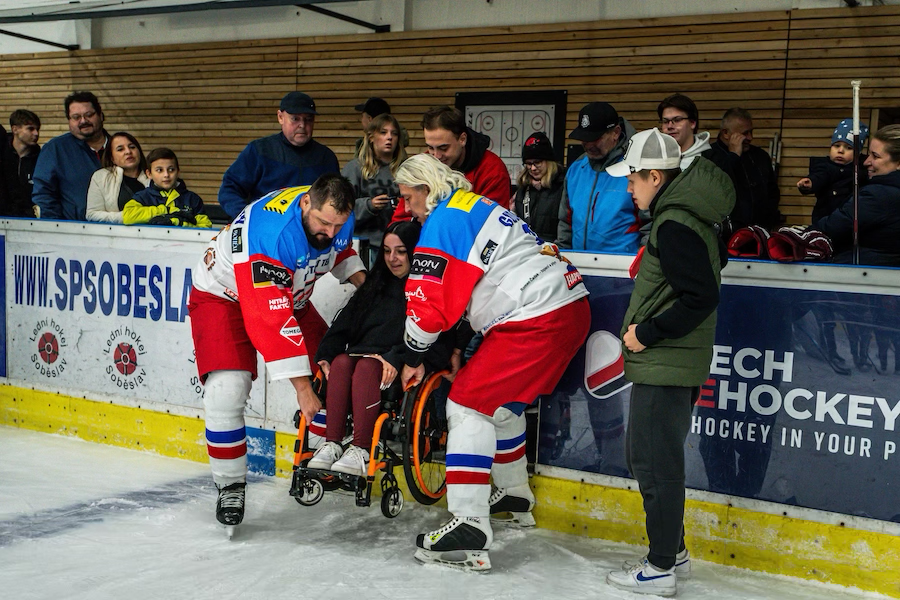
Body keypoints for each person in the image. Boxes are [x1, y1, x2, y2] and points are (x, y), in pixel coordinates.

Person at [395, 153, 590, 572]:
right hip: (568, 305)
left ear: (427, 192)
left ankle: (469, 524)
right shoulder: (476, 204)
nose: (408, 210)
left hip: (536, 315)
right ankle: (514, 493)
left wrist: (412, 354)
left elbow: (429, 303)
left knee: (466, 405)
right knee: (502, 407)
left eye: (410, 199)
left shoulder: (443, 220)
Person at [188, 174, 366, 528]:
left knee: (335, 369)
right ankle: (230, 485)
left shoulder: (334, 215)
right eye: (323, 223)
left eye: (338, 224)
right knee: (227, 389)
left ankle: (319, 453)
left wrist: (373, 289)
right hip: (223, 297)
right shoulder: (272, 235)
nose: (330, 231)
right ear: (305, 204)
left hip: (290, 296)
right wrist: (301, 389)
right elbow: (269, 321)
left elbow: (339, 252)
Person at [603, 129, 734, 597]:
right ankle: (672, 550)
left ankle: (659, 568)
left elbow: (701, 296)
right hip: (668, 361)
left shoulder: (675, 221)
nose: (628, 188)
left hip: (667, 357)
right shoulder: (679, 215)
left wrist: (647, 332)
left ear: (655, 176)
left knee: (655, 463)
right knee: (647, 456)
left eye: (633, 179)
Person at [309, 220, 452, 476]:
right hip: (364, 359)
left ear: (414, 251)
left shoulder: (426, 290)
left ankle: (362, 449)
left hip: (402, 366)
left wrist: (394, 358)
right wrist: (326, 355)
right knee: (341, 361)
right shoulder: (375, 284)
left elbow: (431, 339)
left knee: (365, 366)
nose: (392, 258)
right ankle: (332, 443)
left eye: (400, 251)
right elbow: (343, 323)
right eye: (386, 251)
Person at [218, 91, 339, 219]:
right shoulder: (259, 151)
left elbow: (337, 200)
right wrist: (249, 218)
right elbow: (229, 189)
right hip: (264, 230)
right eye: (295, 119)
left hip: (310, 235)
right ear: (280, 117)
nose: (302, 125)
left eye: (308, 119)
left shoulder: (327, 158)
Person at [390, 106, 510, 223]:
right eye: (431, 147)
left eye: (443, 148)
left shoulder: (493, 170)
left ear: (462, 139)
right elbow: (399, 220)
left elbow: (494, 223)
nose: (436, 156)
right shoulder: (425, 165)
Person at [810, 124, 900, 266]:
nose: (866, 162)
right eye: (868, 154)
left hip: (861, 276)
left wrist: (796, 236)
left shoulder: (879, 195)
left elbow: (832, 228)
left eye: (875, 156)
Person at [556, 101, 641, 253]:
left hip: (623, 267)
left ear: (615, 132)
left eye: (595, 138)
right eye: (584, 138)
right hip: (579, 264)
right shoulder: (576, 169)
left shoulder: (636, 169)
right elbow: (565, 222)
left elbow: (650, 223)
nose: (588, 145)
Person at [32, 91, 109, 221]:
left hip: (121, 229)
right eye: (76, 117)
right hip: (75, 230)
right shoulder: (55, 149)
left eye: (89, 115)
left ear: (101, 116)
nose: (83, 121)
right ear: (69, 121)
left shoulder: (121, 147)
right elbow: (44, 194)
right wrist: (58, 228)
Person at [341, 113, 407, 255]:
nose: (389, 137)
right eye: (383, 133)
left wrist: (401, 205)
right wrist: (369, 205)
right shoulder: (354, 169)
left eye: (394, 134)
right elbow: (341, 209)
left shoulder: (407, 170)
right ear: (371, 138)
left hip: (398, 246)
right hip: (365, 245)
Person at [708, 107, 781, 233]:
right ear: (726, 133)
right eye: (745, 133)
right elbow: (717, 187)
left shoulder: (760, 156)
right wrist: (734, 156)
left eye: (751, 132)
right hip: (725, 236)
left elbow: (772, 192)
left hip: (760, 233)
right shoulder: (709, 156)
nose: (750, 138)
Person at [798, 118, 870, 222]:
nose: (840, 151)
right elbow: (819, 176)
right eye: (836, 146)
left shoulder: (862, 169)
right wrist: (809, 183)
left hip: (850, 222)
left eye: (849, 148)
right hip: (824, 219)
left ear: (858, 153)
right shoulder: (825, 166)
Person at [121, 148, 210, 228]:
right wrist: (166, 210)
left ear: (178, 171)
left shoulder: (193, 199)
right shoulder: (142, 197)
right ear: (149, 174)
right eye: (159, 170)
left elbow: (205, 228)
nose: (166, 175)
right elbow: (128, 216)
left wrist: (180, 223)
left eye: (171, 169)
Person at [512, 132, 566, 242]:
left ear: (549, 161)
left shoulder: (563, 186)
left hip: (555, 250)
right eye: (528, 163)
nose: (532, 168)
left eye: (537, 162)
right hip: (527, 248)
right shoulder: (522, 189)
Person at [86, 132, 150, 223]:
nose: (128, 152)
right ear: (112, 158)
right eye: (120, 149)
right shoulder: (100, 177)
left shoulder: (155, 176)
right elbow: (92, 214)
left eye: (132, 147)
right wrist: (125, 217)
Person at [7, 109, 41, 216]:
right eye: (30, 129)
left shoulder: (41, 159)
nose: (36, 133)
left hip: (29, 220)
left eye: (37, 129)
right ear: (15, 129)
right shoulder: (4, 155)